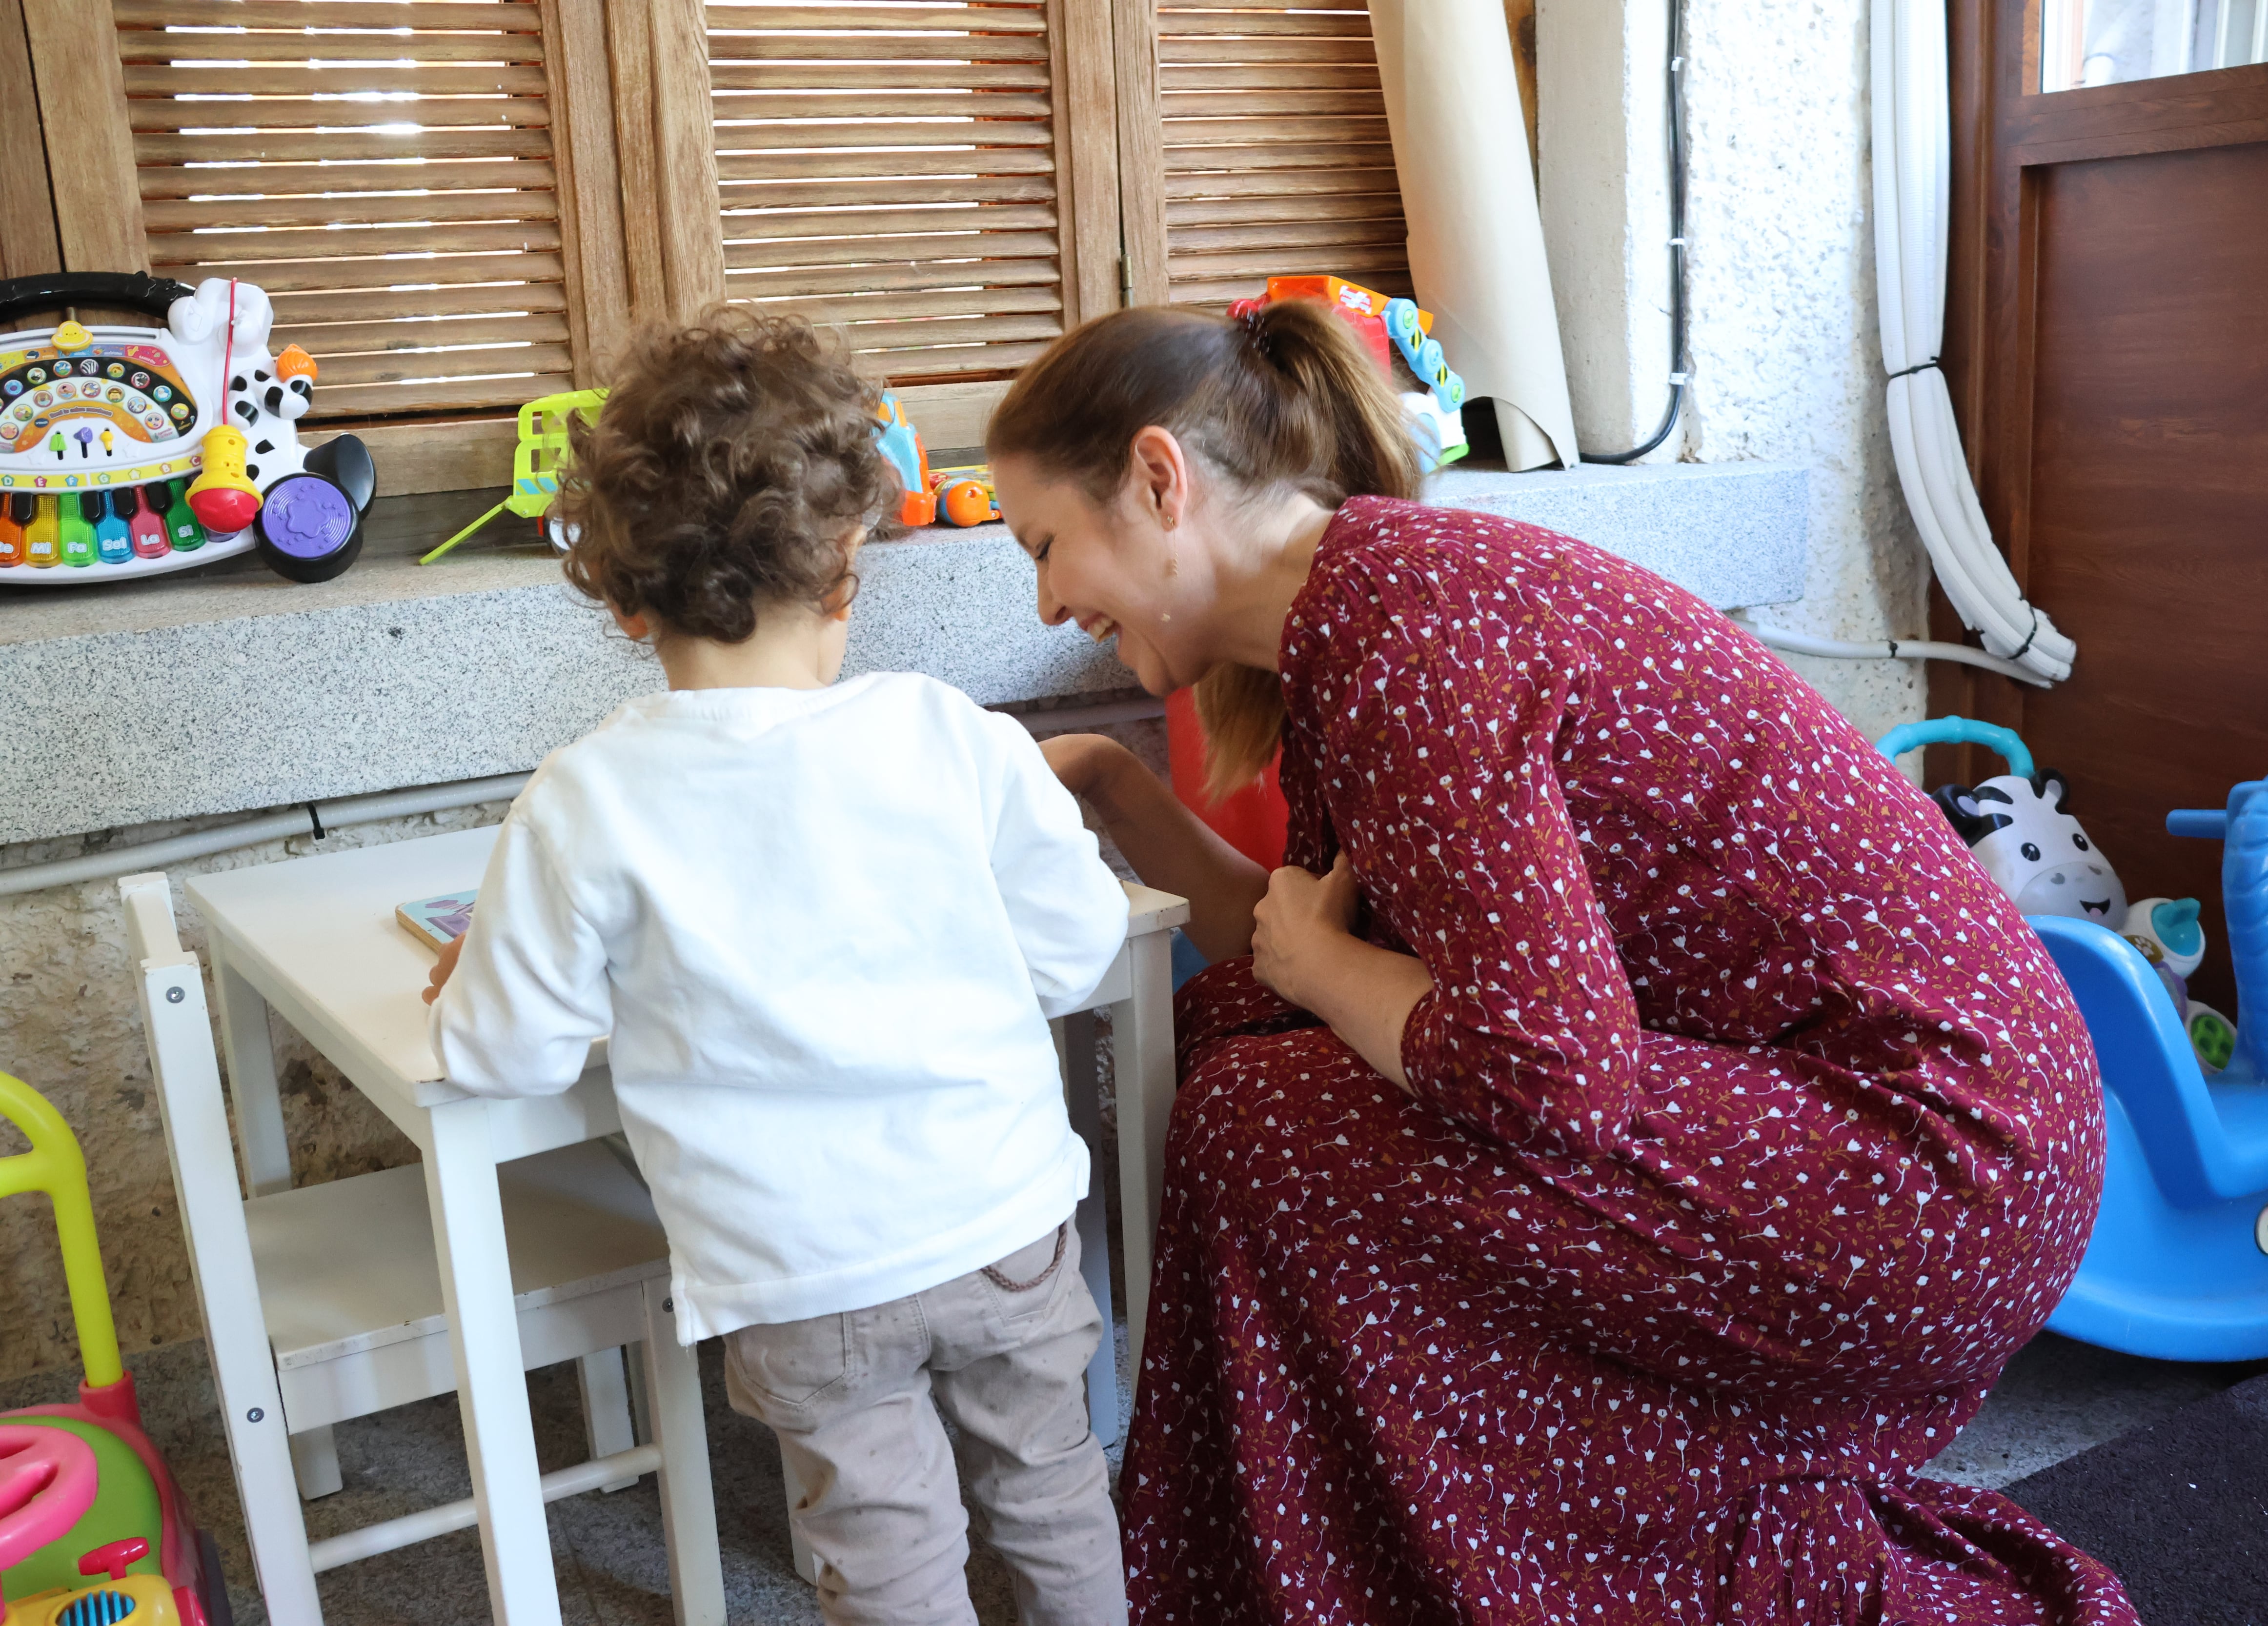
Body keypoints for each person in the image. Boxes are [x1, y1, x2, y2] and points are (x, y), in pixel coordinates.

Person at [989, 301, 2137, 1625]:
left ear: (1156, 478)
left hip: (1943, 1165)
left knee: (1266, 1121)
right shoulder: (1364, 609)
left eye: (1048, 547)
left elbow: (1545, 1074)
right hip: (1910, 1123)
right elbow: (1307, 944)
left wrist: (1311, 975)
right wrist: (1104, 788)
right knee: (1251, 1059)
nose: (1049, 602)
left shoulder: (1410, 639)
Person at [424, 310, 1130, 1626]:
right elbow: (1081, 948)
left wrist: (471, 983)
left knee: (888, 1553)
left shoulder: (584, 800)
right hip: (1003, 1221)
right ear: (850, 564)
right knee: (1054, 1498)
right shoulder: (948, 734)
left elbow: (499, 1056)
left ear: (623, 602)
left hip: (802, 1274)